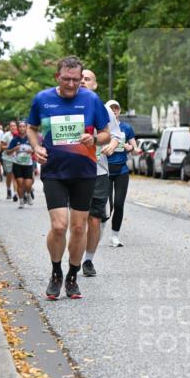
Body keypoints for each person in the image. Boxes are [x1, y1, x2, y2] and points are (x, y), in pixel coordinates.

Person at [26, 56, 110, 300]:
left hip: (84, 172)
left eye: (76, 80)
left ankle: (72, 276)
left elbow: (106, 134)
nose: (72, 84)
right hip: (54, 171)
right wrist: (36, 147)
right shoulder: (42, 99)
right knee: (59, 225)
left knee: (78, 227)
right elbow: (31, 128)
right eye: (66, 79)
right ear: (57, 77)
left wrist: (94, 140)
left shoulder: (92, 99)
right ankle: (56, 272)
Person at [80, 69, 114, 277]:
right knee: (78, 220)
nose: (83, 81)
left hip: (98, 171)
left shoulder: (103, 110)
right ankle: (75, 256)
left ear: (95, 84)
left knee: (94, 218)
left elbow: (116, 134)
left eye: (87, 79)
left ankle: (88, 261)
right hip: (73, 172)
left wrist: (111, 143)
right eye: (80, 78)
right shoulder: (69, 107)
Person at [104, 99, 138, 247]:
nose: (114, 110)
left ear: (119, 110)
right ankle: (97, 231)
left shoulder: (127, 128)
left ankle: (114, 236)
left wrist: (129, 147)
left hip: (121, 171)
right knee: (107, 206)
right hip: (104, 170)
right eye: (111, 108)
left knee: (118, 204)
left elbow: (135, 150)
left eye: (116, 108)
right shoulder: (102, 128)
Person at [7, 121, 35, 207]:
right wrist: (14, 149)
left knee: (28, 184)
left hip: (28, 164)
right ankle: (21, 200)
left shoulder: (30, 139)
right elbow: (8, 152)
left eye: (24, 127)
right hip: (17, 164)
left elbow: (37, 149)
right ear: (18, 128)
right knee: (19, 182)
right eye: (20, 127)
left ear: (26, 128)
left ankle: (28, 194)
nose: (22, 128)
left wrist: (32, 151)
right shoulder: (15, 139)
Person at [0, 120, 17, 201]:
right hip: (7, 158)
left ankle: (15, 193)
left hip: (17, 158)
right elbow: (2, 147)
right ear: (9, 127)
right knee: (9, 176)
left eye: (14, 125)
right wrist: (11, 146)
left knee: (15, 176)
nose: (13, 127)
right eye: (11, 126)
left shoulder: (19, 134)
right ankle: (8, 189)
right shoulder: (6, 135)